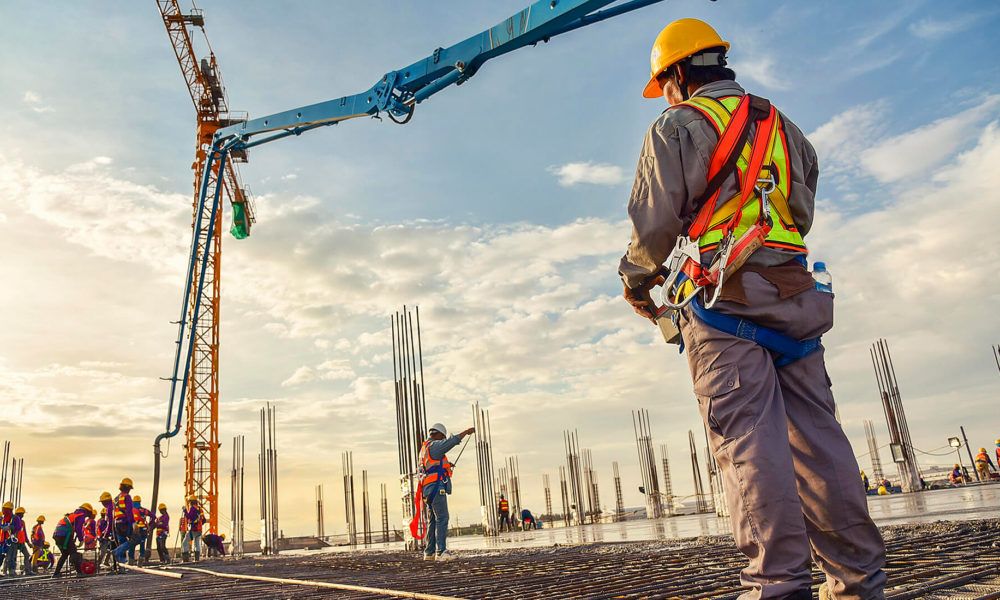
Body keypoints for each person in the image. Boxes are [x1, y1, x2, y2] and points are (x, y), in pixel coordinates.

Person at [619, 18, 886, 600]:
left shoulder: (676, 126)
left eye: (662, 82)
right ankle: (859, 581)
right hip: (797, 300)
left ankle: (777, 587)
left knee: (749, 446)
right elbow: (800, 210)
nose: (662, 94)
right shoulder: (785, 127)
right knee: (821, 443)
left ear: (678, 72)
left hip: (723, 304)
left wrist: (637, 282)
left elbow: (655, 223)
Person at [417, 422, 475, 562]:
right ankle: (441, 551)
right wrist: (466, 431)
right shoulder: (435, 445)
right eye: (442, 437)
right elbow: (451, 442)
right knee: (442, 518)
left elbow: (431, 466)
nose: (443, 440)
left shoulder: (424, 449)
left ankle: (429, 552)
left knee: (433, 520)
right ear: (438, 435)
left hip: (427, 489)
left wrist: (447, 466)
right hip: (436, 488)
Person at [52, 503, 95, 578]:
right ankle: (79, 573)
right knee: (73, 552)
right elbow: (78, 528)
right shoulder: (81, 515)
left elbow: (73, 528)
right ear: (87, 511)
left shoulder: (73, 515)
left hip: (57, 535)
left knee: (65, 554)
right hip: (64, 535)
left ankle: (56, 573)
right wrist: (81, 540)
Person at [112, 477, 135, 563]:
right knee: (136, 539)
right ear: (127, 487)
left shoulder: (116, 498)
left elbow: (113, 513)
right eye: (129, 488)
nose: (129, 490)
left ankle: (122, 565)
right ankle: (116, 551)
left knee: (122, 543)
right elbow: (129, 512)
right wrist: (133, 523)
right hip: (125, 522)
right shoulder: (127, 497)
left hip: (116, 524)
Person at [181, 495, 205, 562]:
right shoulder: (200, 509)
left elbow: (189, 517)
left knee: (184, 542)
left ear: (191, 502)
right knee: (197, 544)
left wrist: (185, 510)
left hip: (193, 529)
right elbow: (204, 520)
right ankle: (196, 559)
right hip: (199, 530)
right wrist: (198, 523)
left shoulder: (192, 508)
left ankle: (185, 559)